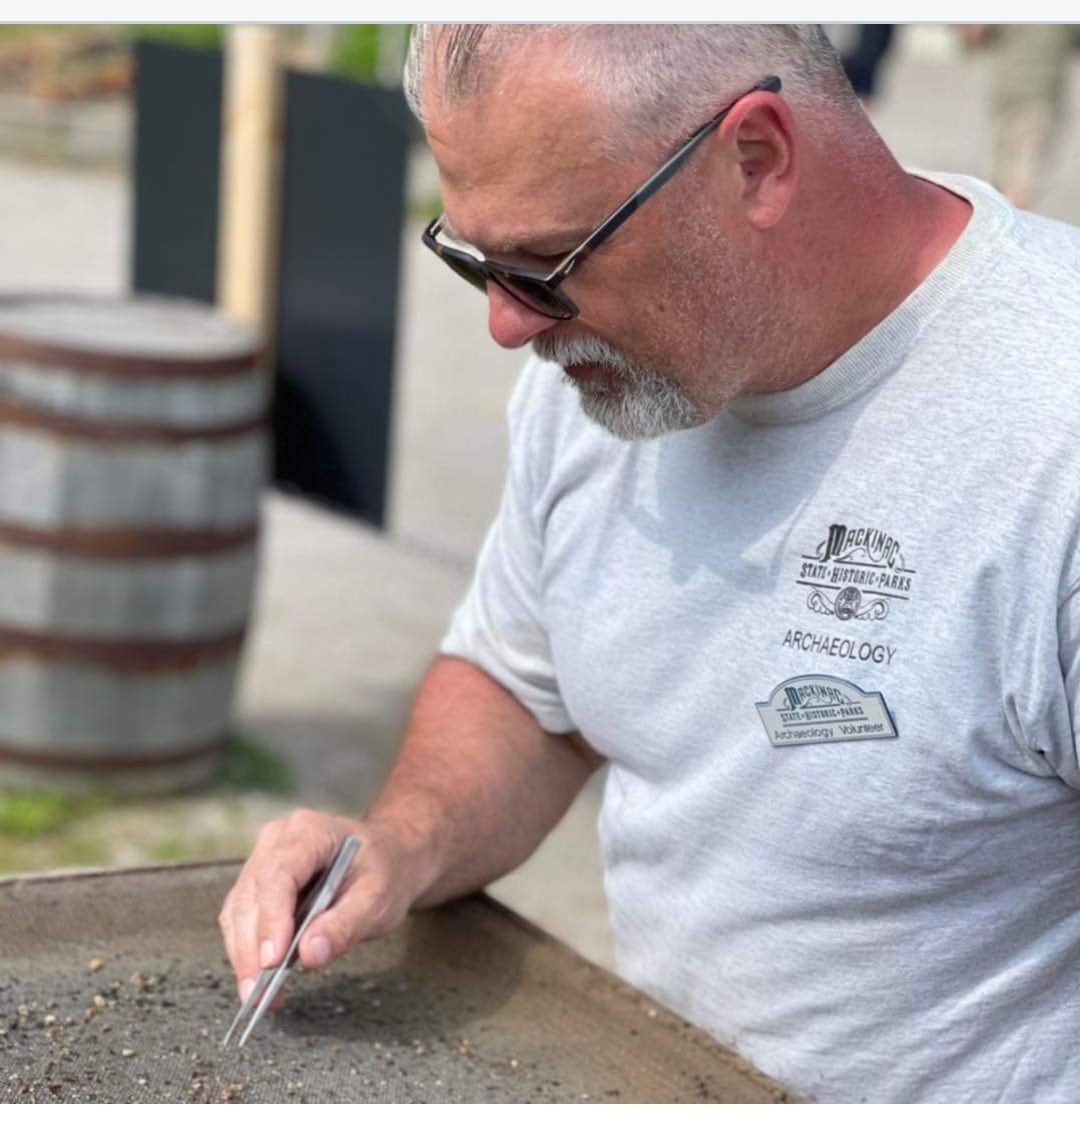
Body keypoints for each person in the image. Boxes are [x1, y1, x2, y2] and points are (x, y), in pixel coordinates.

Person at [219, 25, 1080, 1102]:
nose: (505, 321)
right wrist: (400, 843)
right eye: (474, 257)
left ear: (756, 158)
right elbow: (531, 689)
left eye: (547, 263)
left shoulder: (1052, 434)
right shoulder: (600, 371)